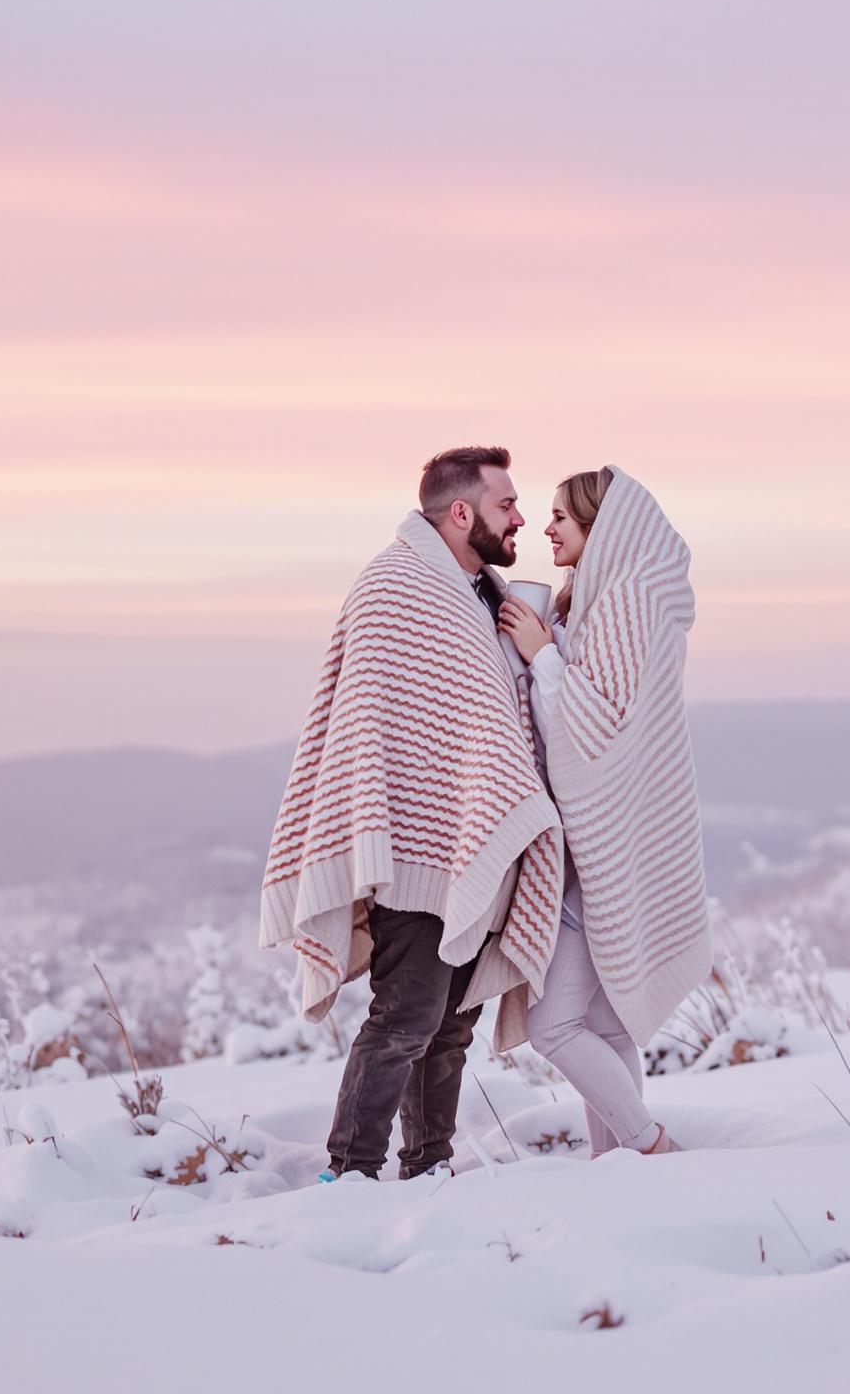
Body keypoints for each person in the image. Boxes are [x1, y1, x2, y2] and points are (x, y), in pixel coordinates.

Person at [259, 447, 565, 1181]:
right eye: (506, 505)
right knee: (404, 1021)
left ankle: (428, 1165)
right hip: (414, 845)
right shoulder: (396, 587)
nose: (520, 517)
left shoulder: (487, 596)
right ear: (461, 512)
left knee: (452, 1028)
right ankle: (351, 1170)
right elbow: (372, 720)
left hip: (476, 842)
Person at [496, 466, 711, 1156]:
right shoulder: (605, 600)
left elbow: (591, 734)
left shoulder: (626, 603)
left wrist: (541, 657)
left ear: (603, 527)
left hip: (609, 844)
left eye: (562, 516)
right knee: (607, 1025)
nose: (547, 527)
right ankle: (617, 1166)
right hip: (605, 845)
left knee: (552, 1026)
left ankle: (648, 1145)